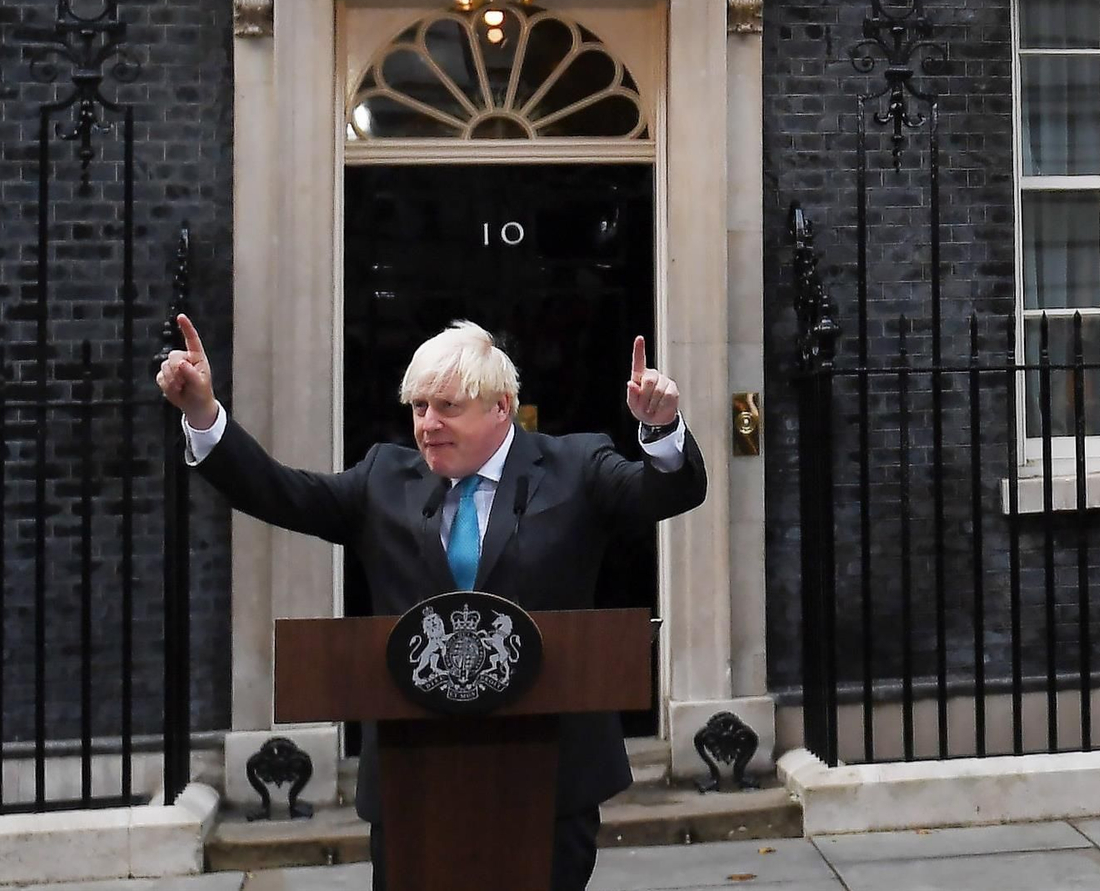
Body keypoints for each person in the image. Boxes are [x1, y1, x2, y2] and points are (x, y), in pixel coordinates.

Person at [156, 315, 707, 891]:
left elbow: (666, 492)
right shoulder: (383, 480)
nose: (428, 425)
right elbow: (281, 493)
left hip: (548, 771)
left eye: (446, 407)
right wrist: (202, 415)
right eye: (419, 407)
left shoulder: (575, 467)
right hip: (412, 774)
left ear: (501, 407)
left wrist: (662, 428)